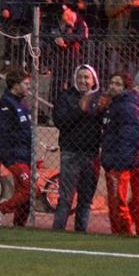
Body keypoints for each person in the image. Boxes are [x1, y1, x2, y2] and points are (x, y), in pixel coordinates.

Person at [95, 70, 139, 238]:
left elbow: (132, 135)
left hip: (138, 161)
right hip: (126, 160)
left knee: (138, 201)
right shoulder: (117, 105)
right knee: (119, 201)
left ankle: (138, 232)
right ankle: (125, 231)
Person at [51, 65, 102, 233]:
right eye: (80, 77)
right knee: (65, 198)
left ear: (93, 80)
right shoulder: (66, 97)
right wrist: (80, 109)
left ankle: (81, 233)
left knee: (86, 200)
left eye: (87, 77)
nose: (83, 81)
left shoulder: (100, 99)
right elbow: (60, 121)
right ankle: (57, 232)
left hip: (91, 154)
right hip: (70, 153)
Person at [0, 66, 36, 228]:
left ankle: (19, 225)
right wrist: (6, 155)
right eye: (25, 84)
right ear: (15, 85)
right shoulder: (5, 105)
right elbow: (0, 133)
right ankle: (0, 210)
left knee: (23, 192)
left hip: (25, 155)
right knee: (29, 188)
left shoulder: (22, 104)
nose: (28, 87)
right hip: (14, 155)